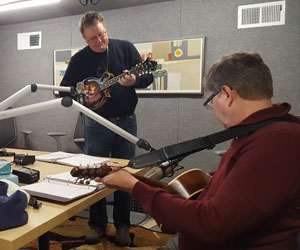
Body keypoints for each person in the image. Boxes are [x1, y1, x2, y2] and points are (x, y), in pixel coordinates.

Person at [96, 52, 300, 250]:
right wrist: (132, 180)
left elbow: (212, 223)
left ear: (227, 94)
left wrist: (134, 187)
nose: (213, 112)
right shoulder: (264, 133)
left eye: (210, 102)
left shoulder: (274, 142)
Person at [59, 11, 153, 246]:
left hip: (126, 122)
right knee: (94, 176)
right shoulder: (80, 59)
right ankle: (96, 225)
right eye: (93, 39)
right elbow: (63, 90)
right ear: (84, 38)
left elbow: (148, 76)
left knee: (124, 175)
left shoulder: (125, 48)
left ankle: (122, 226)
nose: (99, 42)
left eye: (102, 35)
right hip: (96, 124)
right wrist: (84, 96)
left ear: (105, 29)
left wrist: (134, 80)